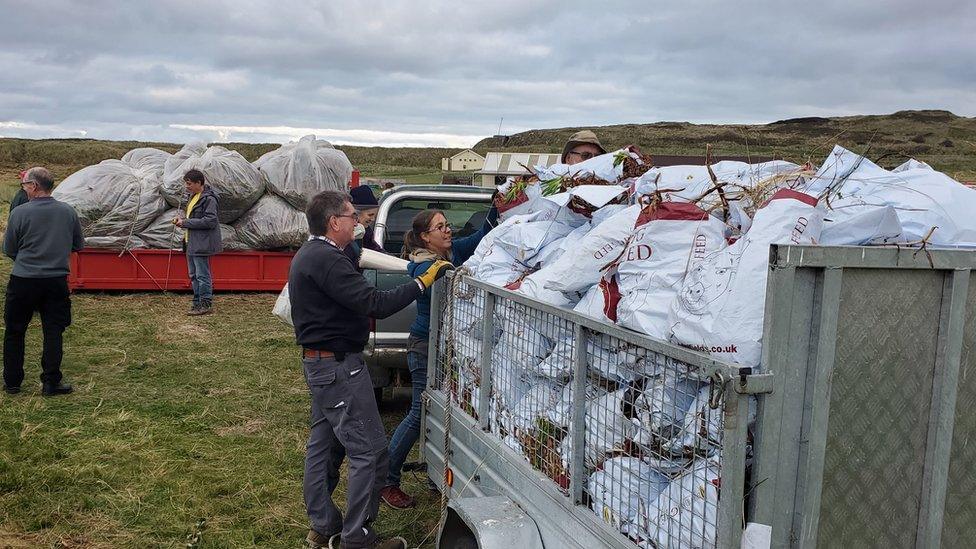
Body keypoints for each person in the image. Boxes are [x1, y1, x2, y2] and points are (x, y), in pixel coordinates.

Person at [289, 190, 453, 549]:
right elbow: (373, 303)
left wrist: (406, 266)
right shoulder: (327, 260)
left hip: (322, 365)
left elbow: (358, 254)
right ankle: (357, 538)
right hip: (338, 368)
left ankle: (323, 525)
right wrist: (421, 282)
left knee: (325, 446)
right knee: (370, 451)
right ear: (334, 223)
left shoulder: (320, 252)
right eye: (352, 217)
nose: (359, 221)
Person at [380, 203, 498, 509]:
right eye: (440, 227)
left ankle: (436, 471)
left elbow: (483, 237)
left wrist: (498, 209)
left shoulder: (450, 253)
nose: (448, 230)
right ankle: (386, 479)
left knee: (441, 412)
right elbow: (438, 287)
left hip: (445, 350)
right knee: (419, 414)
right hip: (424, 348)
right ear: (424, 237)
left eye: (447, 225)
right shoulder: (425, 266)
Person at [3, 167, 83, 396]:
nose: (24, 189)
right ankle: (50, 382)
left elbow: (9, 248)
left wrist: (27, 260)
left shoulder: (19, 213)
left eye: (25, 185)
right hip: (55, 281)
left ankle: (12, 382)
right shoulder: (68, 212)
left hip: (23, 280)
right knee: (53, 331)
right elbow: (78, 245)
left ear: (35, 186)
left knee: (15, 330)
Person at [173, 169, 221, 316]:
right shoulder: (193, 196)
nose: (186, 186)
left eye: (189, 184)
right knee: (193, 275)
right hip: (191, 242)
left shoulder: (209, 199)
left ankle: (206, 304)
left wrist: (186, 222)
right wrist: (181, 220)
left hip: (201, 243)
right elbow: (194, 217)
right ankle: (197, 302)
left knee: (202, 275)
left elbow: (210, 221)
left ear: (199, 183)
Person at [349, 186, 383, 252]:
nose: (373, 219)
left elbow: (376, 250)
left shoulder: (367, 232)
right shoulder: (344, 235)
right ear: (355, 214)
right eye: (370, 215)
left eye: (374, 216)